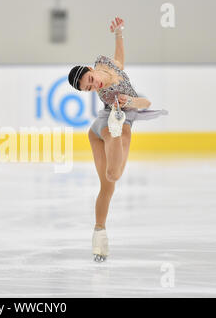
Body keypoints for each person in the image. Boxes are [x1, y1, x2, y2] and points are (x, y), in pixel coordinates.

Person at [67, 17, 168, 262]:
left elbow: (120, 63)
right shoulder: (109, 92)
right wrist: (128, 102)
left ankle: (99, 237)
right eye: (89, 89)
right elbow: (145, 103)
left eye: (90, 81)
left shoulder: (104, 63)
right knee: (112, 177)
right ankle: (116, 128)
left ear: (91, 70)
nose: (94, 85)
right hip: (105, 124)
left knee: (110, 182)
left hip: (121, 118)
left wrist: (119, 34)